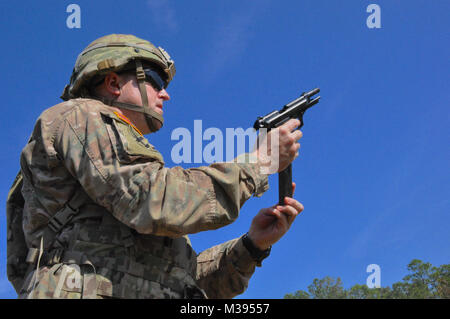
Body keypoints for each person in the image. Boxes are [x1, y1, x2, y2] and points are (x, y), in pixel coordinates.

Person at [12, 34, 304, 299]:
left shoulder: (121, 161)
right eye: (155, 81)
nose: (166, 94)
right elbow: (151, 200)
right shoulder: (80, 116)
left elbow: (187, 282)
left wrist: (253, 246)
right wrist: (258, 164)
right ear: (113, 83)